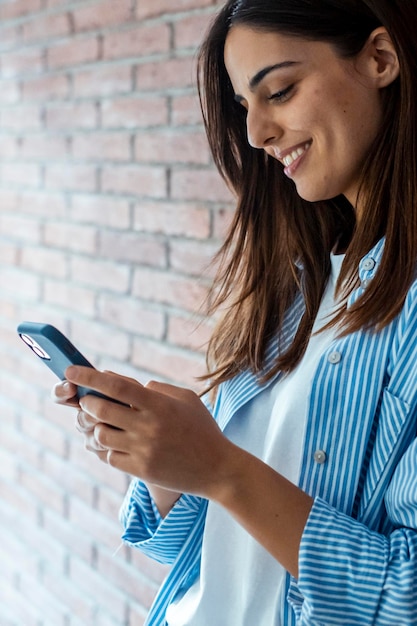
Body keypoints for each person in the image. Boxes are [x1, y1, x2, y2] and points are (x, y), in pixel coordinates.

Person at [54, 0, 417, 623]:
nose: (256, 135)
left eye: (279, 90)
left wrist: (224, 470)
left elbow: (404, 596)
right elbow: (197, 550)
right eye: (245, 107)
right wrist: (165, 458)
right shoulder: (298, 289)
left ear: (381, 59)